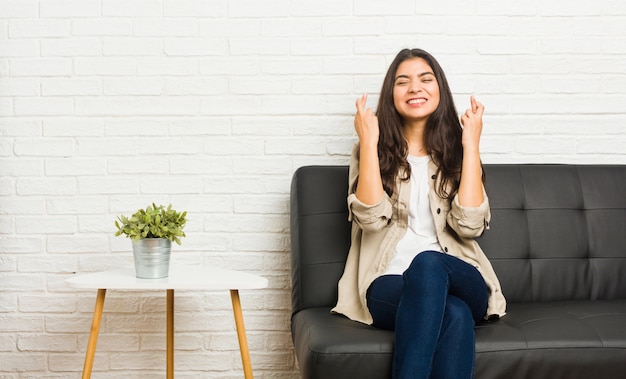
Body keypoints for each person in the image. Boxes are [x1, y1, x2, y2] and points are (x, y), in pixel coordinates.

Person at [331, 48, 507, 379]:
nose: (415, 88)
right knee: (453, 314)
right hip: (387, 282)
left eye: (425, 79)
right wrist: (369, 142)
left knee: (428, 263)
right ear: (391, 94)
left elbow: (469, 225)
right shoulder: (371, 149)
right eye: (403, 81)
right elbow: (370, 218)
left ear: (439, 89)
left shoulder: (459, 149)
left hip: (460, 276)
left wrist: (471, 145)